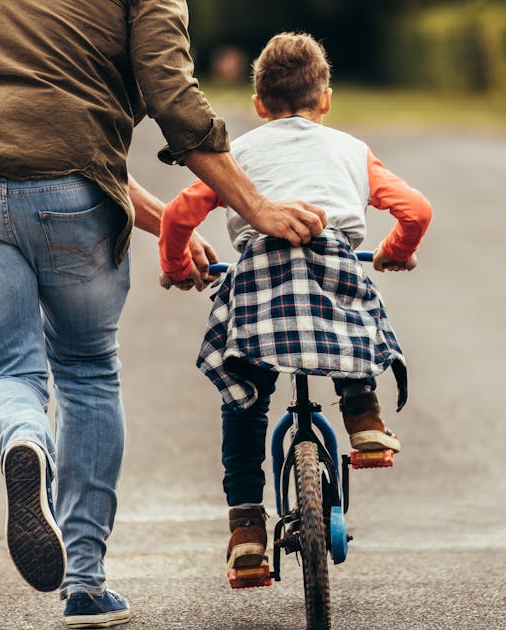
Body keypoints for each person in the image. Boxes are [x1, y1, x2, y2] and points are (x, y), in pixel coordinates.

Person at [0, 1, 327, 628]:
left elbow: (36, 126)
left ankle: (24, 442)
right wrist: (257, 206)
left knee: (6, 375)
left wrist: (165, 227)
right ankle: (84, 584)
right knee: (86, 369)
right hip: (69, 191)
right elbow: (168, 96)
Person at [157, 32, 433, 587]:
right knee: (353, 314)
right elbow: (416, 210)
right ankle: (364, 418)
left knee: (246, 399)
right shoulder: (352, 151)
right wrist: (395, 252)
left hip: (260, 285)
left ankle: (246, 534)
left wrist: (177, 264)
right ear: (325, 98)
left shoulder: (236, 158)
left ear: (259, 106)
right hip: (333, 269)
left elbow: (177, 215)